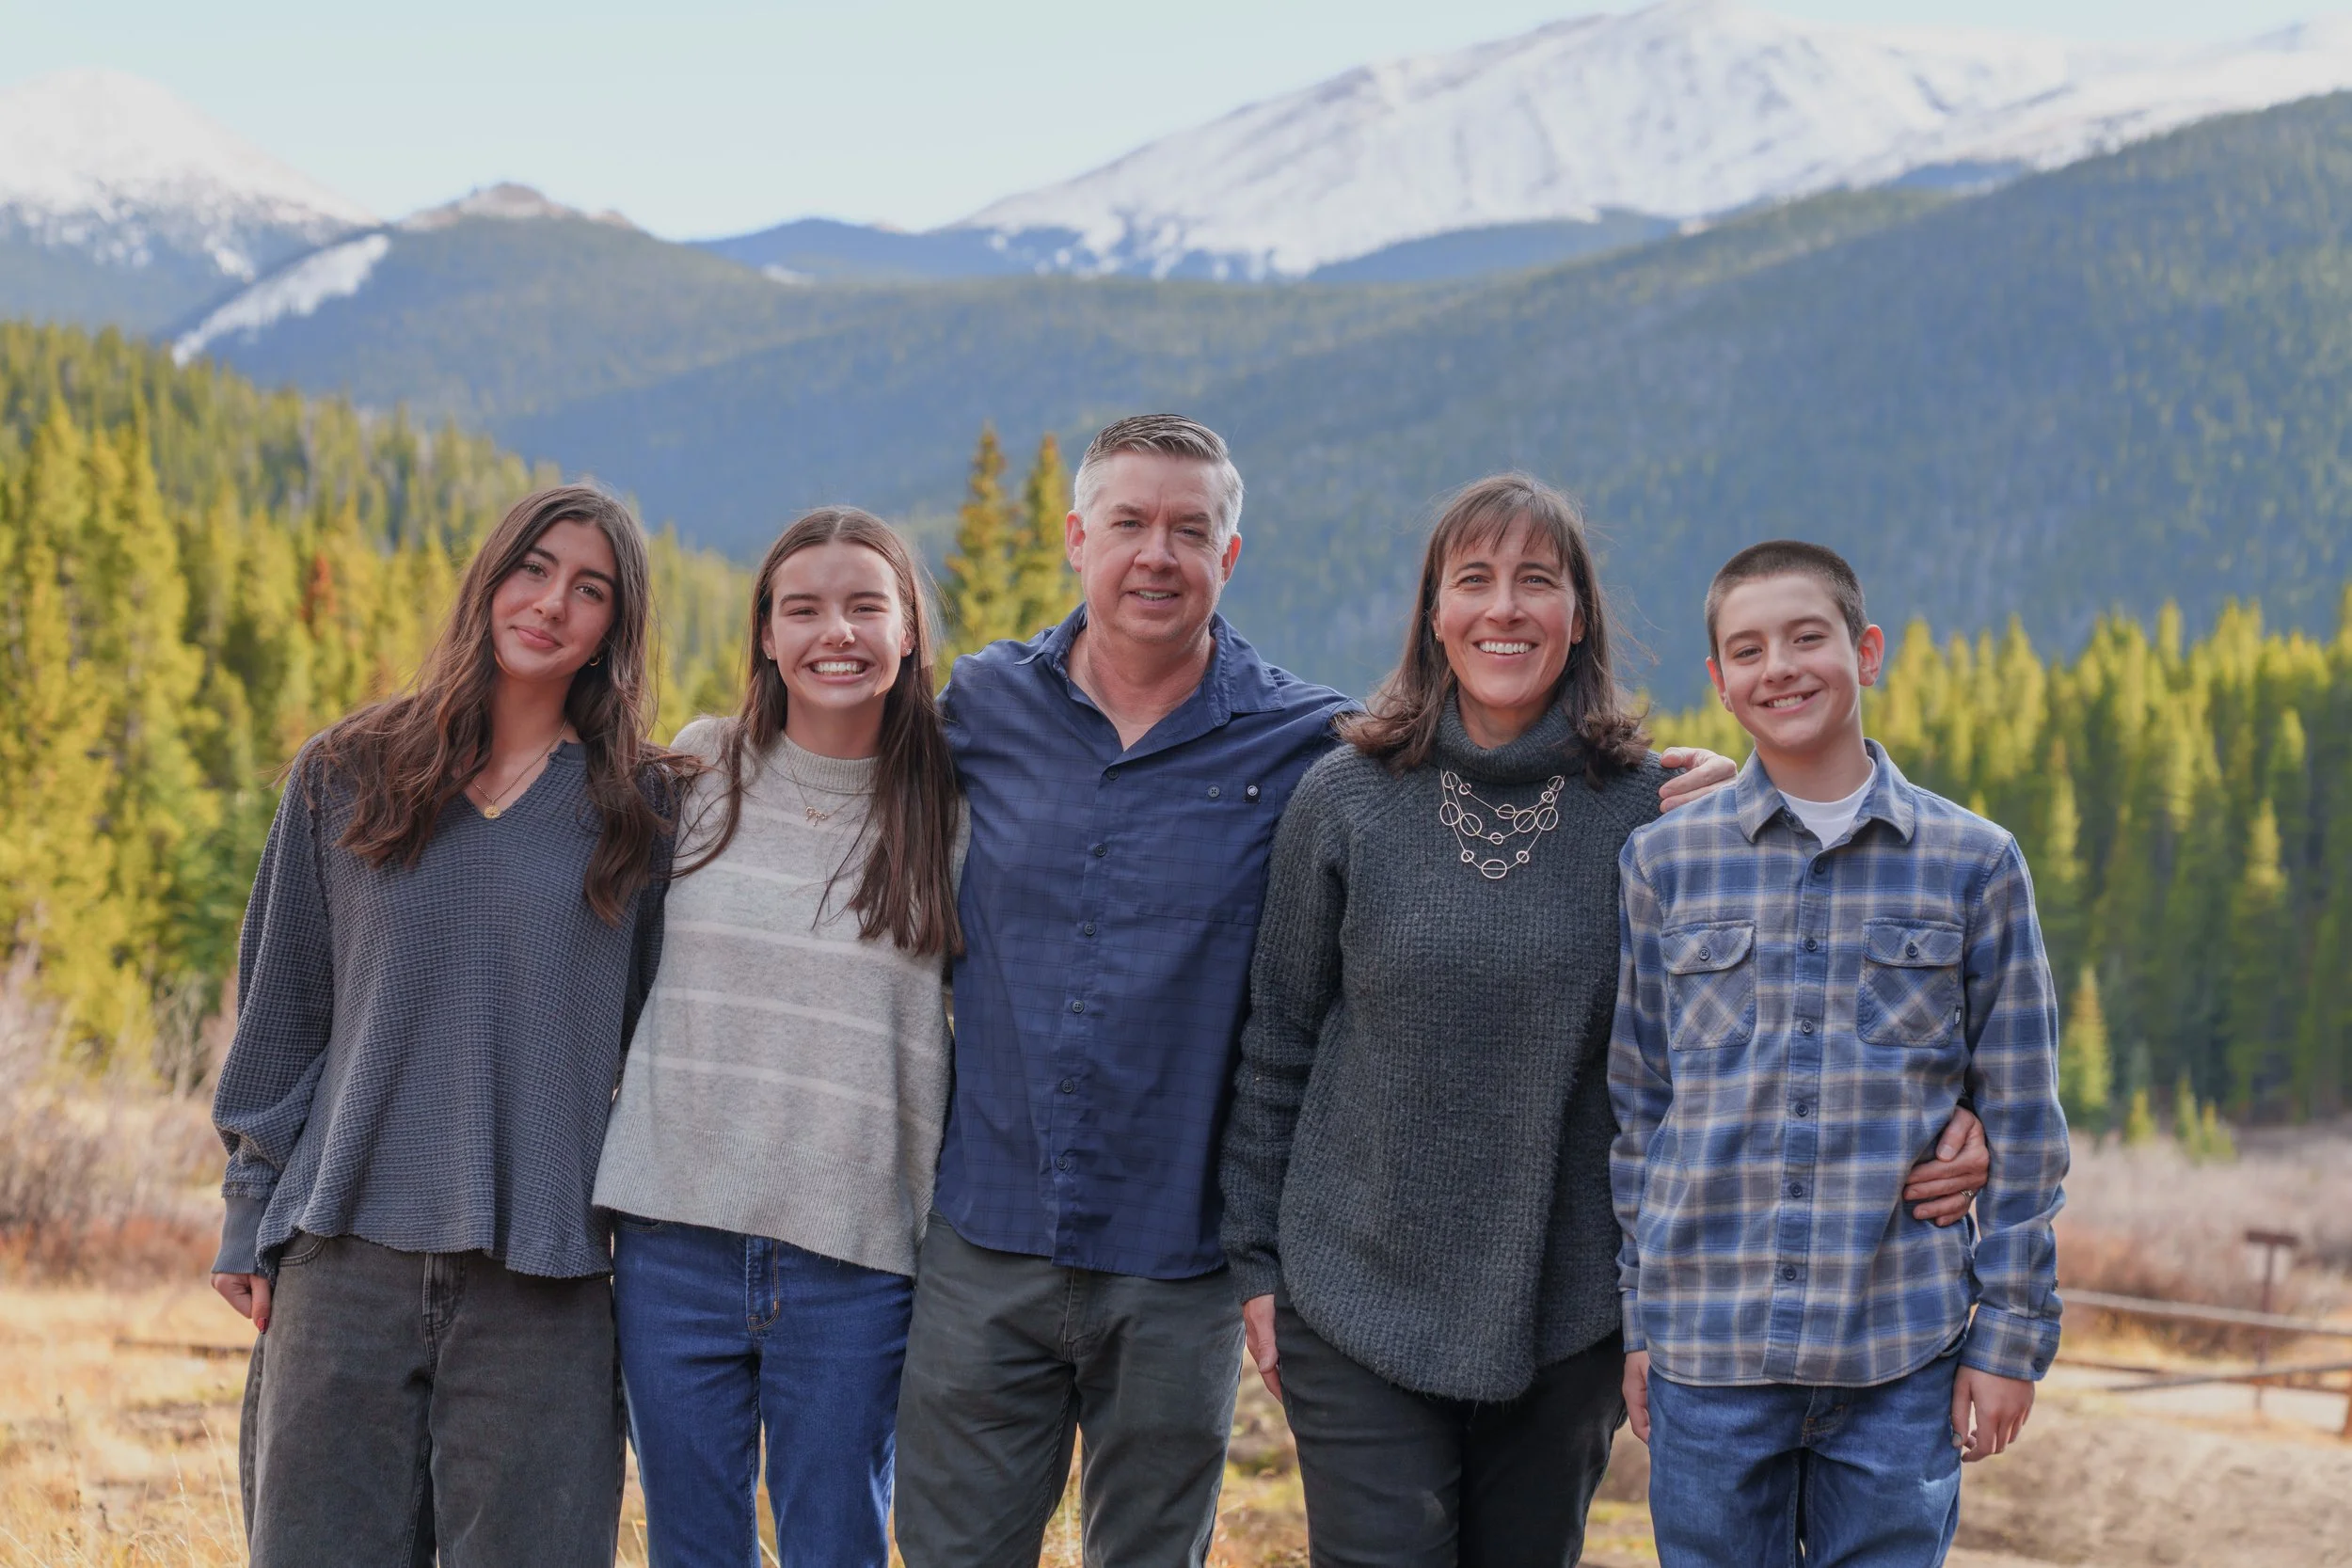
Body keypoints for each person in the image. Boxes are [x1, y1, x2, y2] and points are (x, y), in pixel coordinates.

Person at [890, 417, 1743, 1568]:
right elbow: (837, 782)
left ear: (1228, 558)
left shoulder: (1309, 746)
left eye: (1190, 529)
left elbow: (1710, 1020)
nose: (1157, 554)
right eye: (1130, 523)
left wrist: (1736, 804)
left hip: (1180, 1260)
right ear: (1074, 537)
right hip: (989, 1235)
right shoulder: (983, 707)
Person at [1218, 479, 1991, 1568]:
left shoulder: (1657, 810)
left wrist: (1966, 1119)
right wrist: (1255, 1258)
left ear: (1578, 614)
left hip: (1567, 1308)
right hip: (1357, 1291)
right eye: (1474, 580)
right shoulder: (1343, 798)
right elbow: (1277, 1040)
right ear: (1433, 612)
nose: (1505, 609)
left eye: (1538, 580)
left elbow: (1780, 1021)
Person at [208, 484, 680, 1567]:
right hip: (343, 1264)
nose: (553, 603)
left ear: (616, 626)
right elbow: (284, 1014)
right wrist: (249, 1207)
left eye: (590, 588)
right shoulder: (347, 771)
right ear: (490, 576)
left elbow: (671, 1052)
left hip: (546, 1285)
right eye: (534, 567)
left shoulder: (642, 810)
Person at [1613, 540, 2068, 1568]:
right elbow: (1638, 1110)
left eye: (1806, 636)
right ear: (1720, 684)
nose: (1780, 665)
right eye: (1748, 648)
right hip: (1707, 1357)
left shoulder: (1974, 863)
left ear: (1864, 651)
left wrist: (2009, 1338)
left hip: (1898, 1357)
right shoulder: (1662, 864)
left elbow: (2028, 1127)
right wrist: (1636, 1325)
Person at [592, 508, 964, 1568]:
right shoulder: (704, 772)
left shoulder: (950, 812)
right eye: (801, 608)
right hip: (673, 1242)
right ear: (765, 633)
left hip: (856, 1255)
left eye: (863, 606)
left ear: (908, 635)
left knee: (837, 1545)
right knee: (692, 1549)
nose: (832, 632)